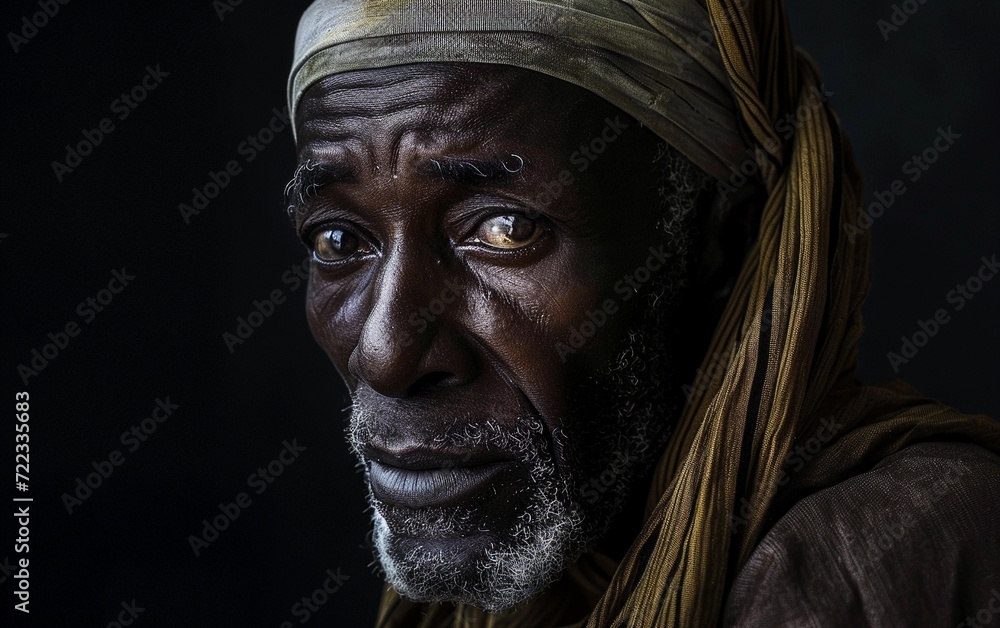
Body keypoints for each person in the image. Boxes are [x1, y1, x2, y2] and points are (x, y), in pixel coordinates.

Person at [283, 1, 1000, 626]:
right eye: (338, 239)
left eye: (505, 230)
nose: (386, 353)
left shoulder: (869, 561)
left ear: (723, 241)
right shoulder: (547, 577)